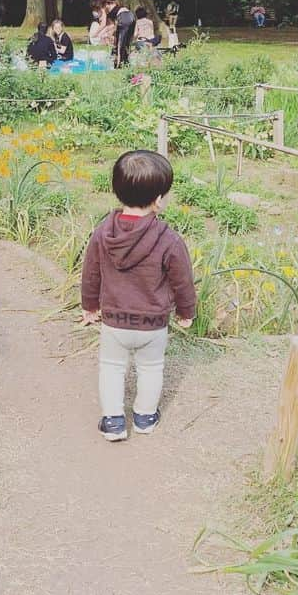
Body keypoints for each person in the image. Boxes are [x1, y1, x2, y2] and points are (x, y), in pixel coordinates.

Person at [80, 150, 196, 441]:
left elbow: (91, 272)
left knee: (111, 368)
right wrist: (186, 312)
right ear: (158, 199)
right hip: (152, 324)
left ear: (117, 192)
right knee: (150, 368)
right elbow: (182, 281)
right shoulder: (168, 239)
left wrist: (89, 306)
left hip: (114, 322)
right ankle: (144, 417)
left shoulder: (103, 233)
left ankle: (114, 422)